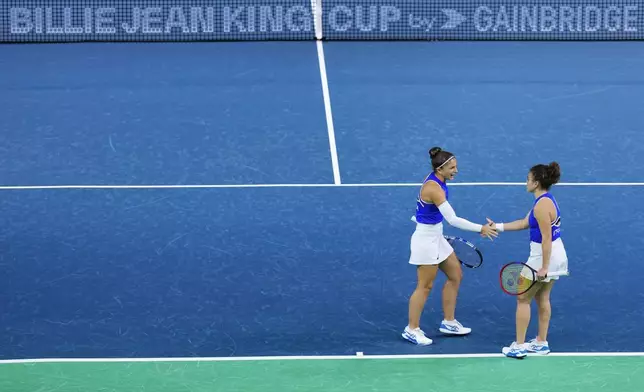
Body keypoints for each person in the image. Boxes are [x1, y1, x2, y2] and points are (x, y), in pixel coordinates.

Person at [403, 147, 497, 346]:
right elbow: (452, 219)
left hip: (436, 235)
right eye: (452, 168)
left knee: (455, 275)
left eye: (456, 166)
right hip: (425, 241)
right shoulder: (433, 188)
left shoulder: (440, 180)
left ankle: (448, 322)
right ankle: (411, 329)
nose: (456, 171)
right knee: (425, 286)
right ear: (440, 169)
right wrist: (480, 228)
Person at [487, 162, 568, 358]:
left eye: (528, 179)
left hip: (543, 256)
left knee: (523, 298)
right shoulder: (546, 200)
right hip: (557, 254)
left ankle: (519, 346)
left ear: (536, 182)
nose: (526, 182)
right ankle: (541, 342)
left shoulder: (541, 207)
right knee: (542, 297)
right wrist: (497, 226)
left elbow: (546, 239)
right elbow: (524, 223)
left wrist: (544, 267)